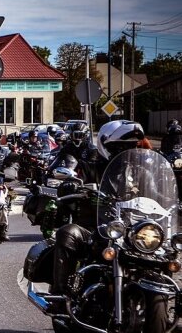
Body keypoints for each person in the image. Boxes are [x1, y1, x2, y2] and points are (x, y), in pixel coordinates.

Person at [49, 120, 147, 309]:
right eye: (120, 147)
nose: (126, 152)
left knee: (168, 249)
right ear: (106, 145)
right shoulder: (89, 167)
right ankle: (61, 295)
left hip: (134, 232)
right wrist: (70, 186)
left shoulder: (142, 172)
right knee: (67, 233)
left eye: (132, 146)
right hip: (97, 229)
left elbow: (158, 193)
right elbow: (70, 183)